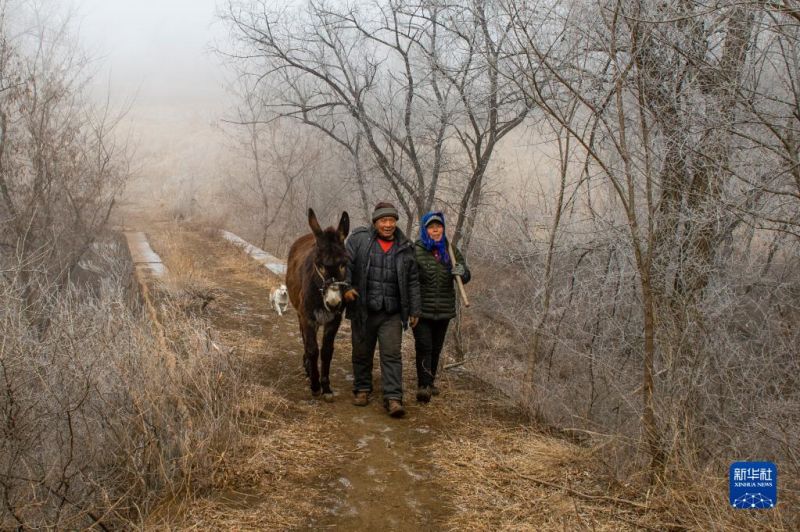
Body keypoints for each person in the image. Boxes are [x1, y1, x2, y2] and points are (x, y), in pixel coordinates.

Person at [344, 202, 421, 418]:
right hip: (364, 309)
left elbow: (413, 281)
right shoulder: (359, 240)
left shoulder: (405, 246)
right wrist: (347, 288)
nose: (388, 225)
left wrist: (415, 309)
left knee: (392, 355)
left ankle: (393, 398)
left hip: (392, 312)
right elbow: (346, 265)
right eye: (383, 221)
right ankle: (362, 389)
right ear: (375, 222)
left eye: (391, 220)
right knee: (361, 352)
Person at [413, 211, 470, 403]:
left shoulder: (450, 250)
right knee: (424, 346)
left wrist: (461, 271)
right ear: (425, 229)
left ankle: (430, 381)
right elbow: (410, 277)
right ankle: (423, 385)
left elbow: (466, 275)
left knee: (436, 348)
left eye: (438, 226)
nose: (435, 230)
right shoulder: (417, 249)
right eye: (431, 227)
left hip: (444, 309)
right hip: (422, 309)